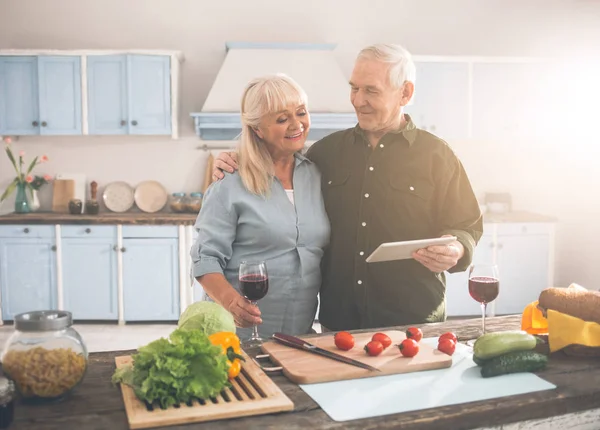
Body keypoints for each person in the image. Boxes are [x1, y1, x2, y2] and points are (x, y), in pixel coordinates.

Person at [213, 44, 483, 331]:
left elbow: (467, 224)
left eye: (371, 91)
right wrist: (234, 160)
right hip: (339, 325)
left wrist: (456, 248)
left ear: (405, 93)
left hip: (414, 322)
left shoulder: (437, 155)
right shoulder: (324, 154)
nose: (358, 100)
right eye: (354, 88)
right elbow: (272, 158)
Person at [191, 74, 330, 340]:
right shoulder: (230, 180)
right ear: (257, 130)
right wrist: (231, 302)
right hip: (236, 336)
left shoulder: (317, 175)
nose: (296, 124)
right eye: (281, 119)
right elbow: (204, 258)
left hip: (297, 336)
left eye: (301, 112)